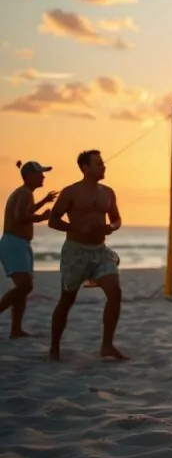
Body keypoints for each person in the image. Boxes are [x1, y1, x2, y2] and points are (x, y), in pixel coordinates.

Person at [47, 150, 127, 361]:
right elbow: (53, 220)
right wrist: (78, 228)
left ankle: (107, 346)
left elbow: (117, 219)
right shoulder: (71, 192)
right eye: (99, 164)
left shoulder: (108, 192)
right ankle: (54, 349)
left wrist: (110, 227)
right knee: (67, 299)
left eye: (103, 163)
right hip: (76, 251)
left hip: (100, 251)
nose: (103, 167)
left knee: (115, 292)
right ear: (85, 168)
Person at [0, 161, 57, 338]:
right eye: (40, 173)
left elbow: (25, 210)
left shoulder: (25, 193)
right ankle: (15, 328)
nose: (43, 176)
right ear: (29, 176)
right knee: (25, 286)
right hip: (14, 243)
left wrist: (44, 201)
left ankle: (16, 329)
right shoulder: (24, 193)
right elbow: (20, 217)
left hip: (20, 243)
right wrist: (41, 217)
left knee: (22, 288)